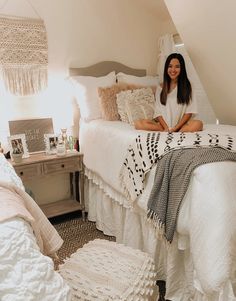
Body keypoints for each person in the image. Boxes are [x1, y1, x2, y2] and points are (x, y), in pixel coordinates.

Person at [134, 53, 203, 132]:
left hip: (180, 126)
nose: (173, 70)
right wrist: (166, 128)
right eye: (170, 66)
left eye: (177, 67)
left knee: (198, 124)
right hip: (163, 126)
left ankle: (176, 132)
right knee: (139, 123)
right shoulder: (160, 87)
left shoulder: (188, 86)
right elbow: (158, 112)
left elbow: (189, 112)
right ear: (166, 68)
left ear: (182, 69)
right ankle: (167, 130)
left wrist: (176, 128)